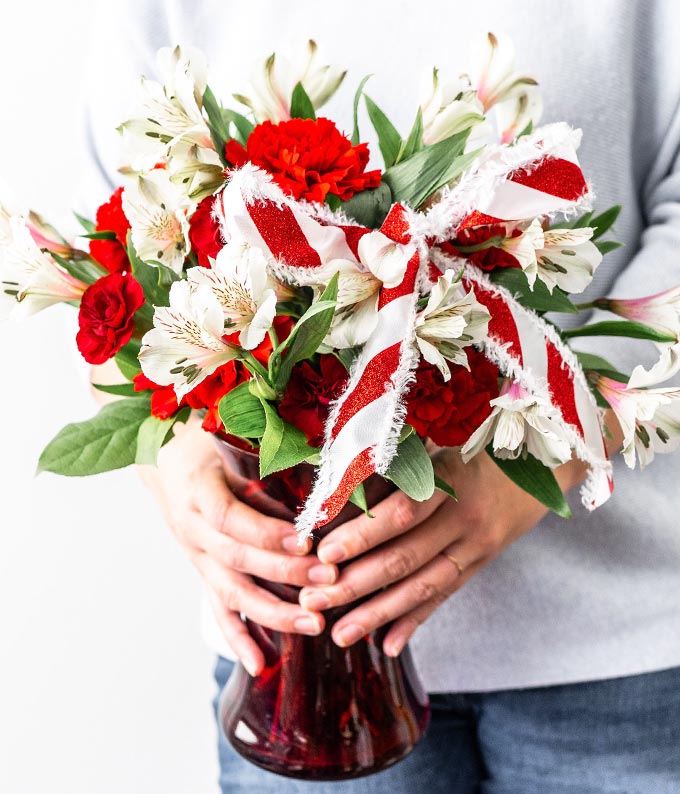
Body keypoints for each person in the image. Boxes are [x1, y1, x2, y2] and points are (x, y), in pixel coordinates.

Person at [85, 1, 680, 791]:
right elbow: (112, 226)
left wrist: (550, 443)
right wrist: (179, 451)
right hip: (293, 661)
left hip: (617, 641)